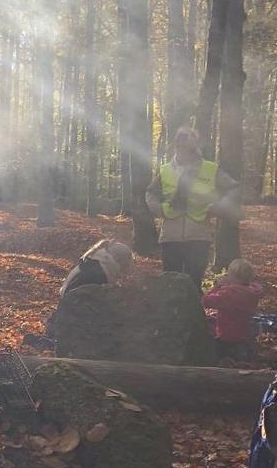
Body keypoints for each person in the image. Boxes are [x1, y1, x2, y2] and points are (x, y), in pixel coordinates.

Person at [146, 127, 239, 290]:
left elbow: (234, 188)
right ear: (176, 145)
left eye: (189, 146)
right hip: (170, 235)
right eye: (181, 145)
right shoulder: (165, 170)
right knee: (170, 283)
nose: (184, 150)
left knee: (193, 283)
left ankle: (192, 314)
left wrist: (219, 207)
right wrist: (158, 209)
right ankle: (170, 315)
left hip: (199, 236)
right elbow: (151, 193)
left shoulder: (210, 168)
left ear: (195, 147)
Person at [203, 259, 263, 364]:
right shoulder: (253, 292)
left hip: (227, 335)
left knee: (205, 328)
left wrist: (218, 286)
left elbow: (206, 301)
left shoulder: (228, 294)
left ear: (234, 277)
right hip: (245, 332)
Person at [59, 240, 133, 297]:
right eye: (125, 265)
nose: (124, 270)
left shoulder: (92, 262)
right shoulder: (100, 275)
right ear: (118, 259)